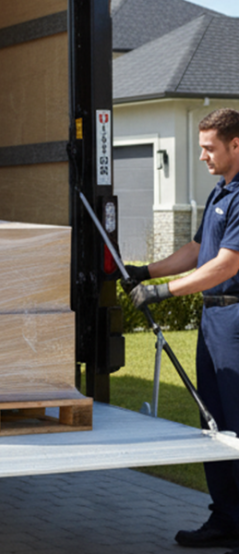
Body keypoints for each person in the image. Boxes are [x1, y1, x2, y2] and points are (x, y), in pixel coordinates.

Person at [127, 108, 239, 551]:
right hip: (212, 320)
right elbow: (197, 250)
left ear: (236, 145)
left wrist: (164, 293)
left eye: (209, 148)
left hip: (235, 320)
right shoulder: (218, 194)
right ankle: (226, 518)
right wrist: (145, 272)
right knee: (212, 421)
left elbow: (227, 263)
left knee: (237, 422)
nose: (202, 156)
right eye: (201, 147)